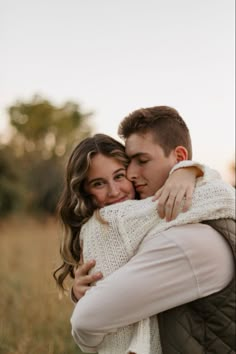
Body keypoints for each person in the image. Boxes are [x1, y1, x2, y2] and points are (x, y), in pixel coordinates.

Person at [70, 106, 235, 353]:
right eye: (130, 162)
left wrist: (189, 170)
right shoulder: (177, 220)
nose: (132, 174)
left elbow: (86, 322)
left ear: (179, 158)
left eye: (142, 161)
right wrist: (190, 171)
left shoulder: (187, 241)